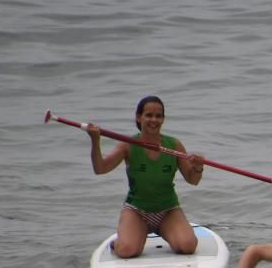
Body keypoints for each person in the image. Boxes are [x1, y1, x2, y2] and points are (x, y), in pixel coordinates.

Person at [86, 95, 205, 258]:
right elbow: (100, 169)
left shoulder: (174, 145)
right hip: (137, 210)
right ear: (138, 117)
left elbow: (193, 180)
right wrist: (95, 141)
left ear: (163, 119)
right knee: (128, 251)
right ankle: (118, 242)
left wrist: (198, 168)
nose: (154, 120)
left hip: (167, 210)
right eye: (149, 115)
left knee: (188, 246)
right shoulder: (127, 145)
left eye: (158, 116)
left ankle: (166, 231)